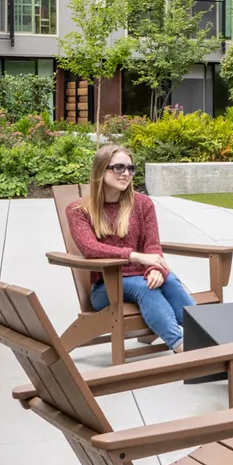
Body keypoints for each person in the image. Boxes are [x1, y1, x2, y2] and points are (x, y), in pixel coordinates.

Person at [67, 144, 195, 354]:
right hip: (106, 288)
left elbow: (153, 245)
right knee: (144, 286)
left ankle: (206, 334)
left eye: (130, 168)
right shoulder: (78, 210)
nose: (126, 173)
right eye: (118, 168)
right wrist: (135, 256)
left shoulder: (143, 204)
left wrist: (156, 269)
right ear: (101, 170)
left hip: (142, 278)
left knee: (169, 280)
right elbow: (90, 248)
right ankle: (182, 346)